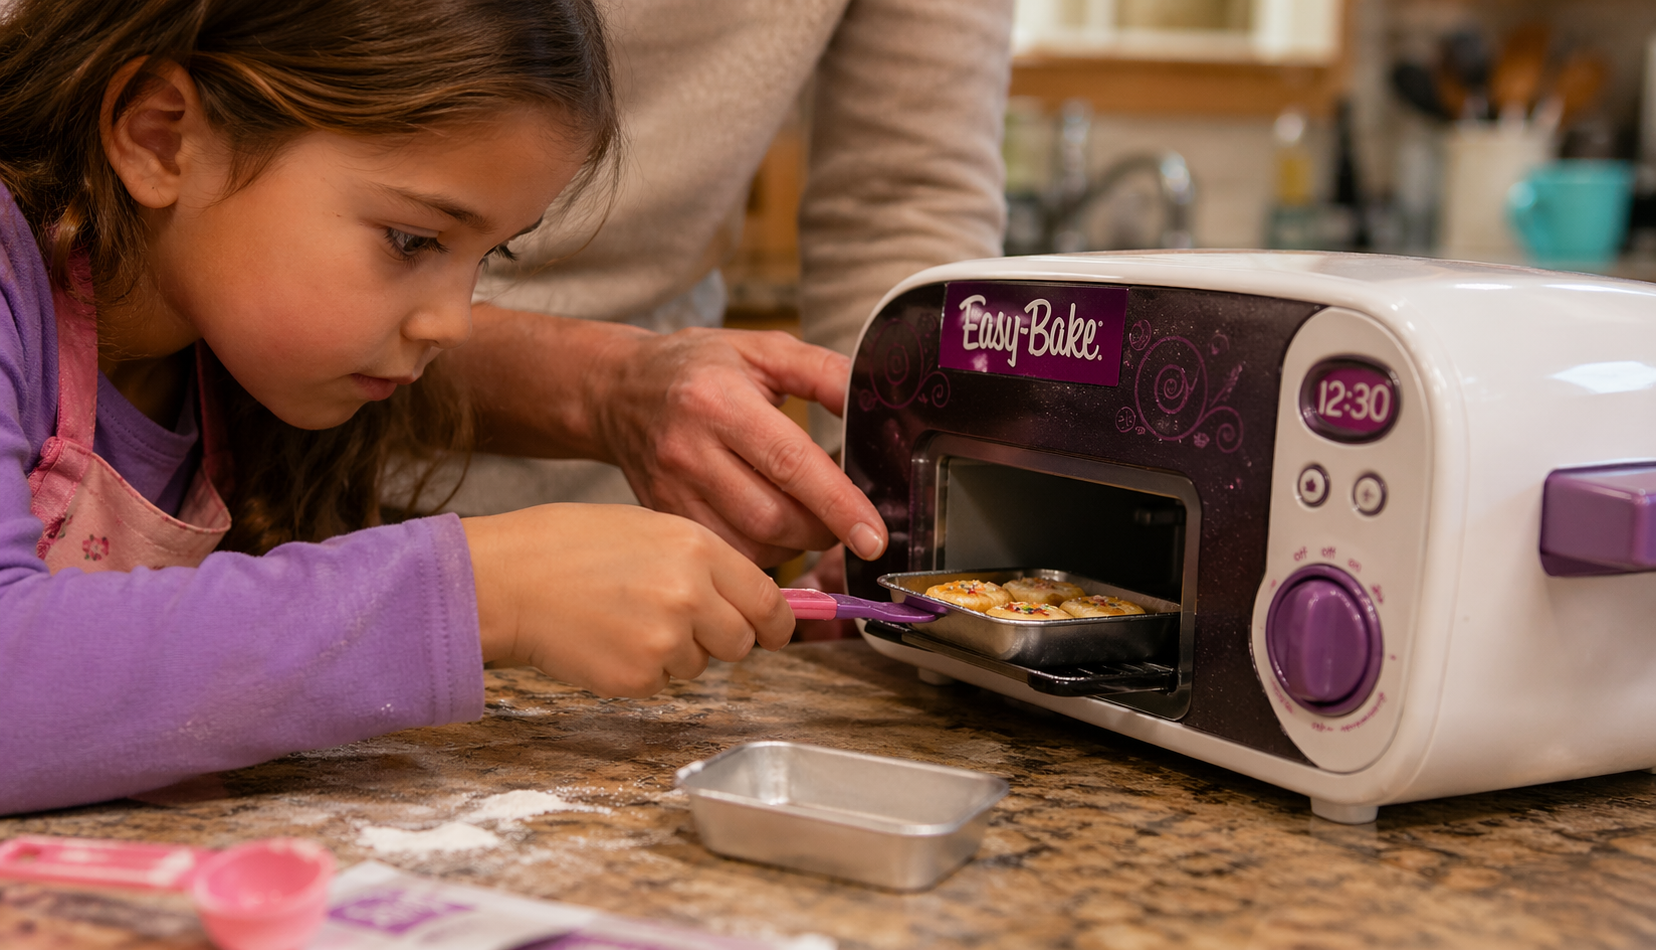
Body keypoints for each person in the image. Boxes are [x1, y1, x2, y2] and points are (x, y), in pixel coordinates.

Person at [0, 0, 858, 816]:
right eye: (411, 240)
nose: (452, 322)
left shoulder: (229, 354)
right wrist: (486, 591)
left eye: (488, 254)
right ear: (160, 137)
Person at [442, 0, 1014, 571]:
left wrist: (885, 477)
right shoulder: (423, 324)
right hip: (376, 474)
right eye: (412, 242)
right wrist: (601, 385)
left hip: (664, 528)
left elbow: (906, 197)